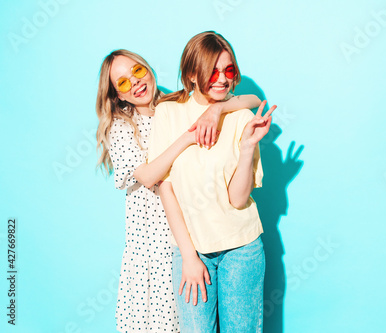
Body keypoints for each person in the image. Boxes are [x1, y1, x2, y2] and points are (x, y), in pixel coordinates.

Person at [95, 49, 261, 332]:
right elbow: (149, 176)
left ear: (147, 68)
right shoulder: (122, 128)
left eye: (137, 71)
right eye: (122, 83)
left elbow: (253, 100)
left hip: (192, 232)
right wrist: (187, 137)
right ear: (117, 95)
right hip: (153, 241)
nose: (134, 83)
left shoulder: (174, 104)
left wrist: (216, 108)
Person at [148, 31, 276, 333]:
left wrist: (247, 148)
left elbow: (237, 200)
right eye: (212, 71)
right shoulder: (168, 113)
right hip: (192, 251)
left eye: (229, 70)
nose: (222, 79)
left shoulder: (243, 116)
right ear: (192, 74)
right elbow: (165, 188)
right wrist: (189, 257)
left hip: (242, 249)